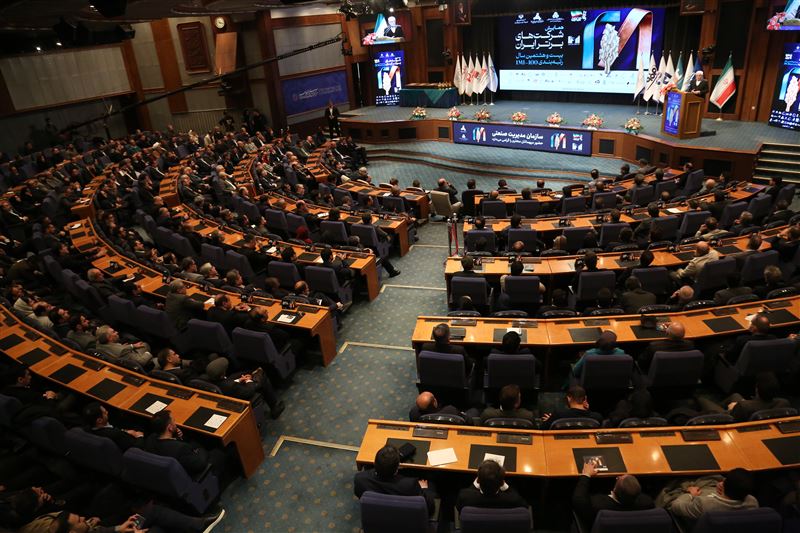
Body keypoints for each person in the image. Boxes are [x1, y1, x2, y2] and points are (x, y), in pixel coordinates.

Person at [145, 410, 228, 479]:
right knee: (218, 452)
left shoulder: (150, 439)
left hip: (168, 475)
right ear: (170, 427)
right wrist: (200, 450)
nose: (175, 423)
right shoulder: (181, 448)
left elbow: (168, 445)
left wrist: (176, 437)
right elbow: (200, 465)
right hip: (190, 475)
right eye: (174, 421)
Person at [657, 468, 758, 526]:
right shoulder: (752, 503)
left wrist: (690, 494)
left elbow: (676, 506)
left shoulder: (704, 504)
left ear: (725, 484)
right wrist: (724, 492)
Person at [353, 445, 434, 515]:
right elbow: (429, 508)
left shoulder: (360, 479)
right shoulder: (410, 485)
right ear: (397, 470)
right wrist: (424, 488)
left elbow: (359, 494)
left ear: (374, 463)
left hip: (377, 516)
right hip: (404, 519)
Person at [572, 462, 654, 527]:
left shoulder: (597, 506)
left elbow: (578, 499)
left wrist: (586, 474)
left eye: (619, 478)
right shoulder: (647, 504)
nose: (617, 477)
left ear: (614, 489)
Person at [696, 371, 790, 422]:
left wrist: (732, 409)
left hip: (728, 417)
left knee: (702, 399)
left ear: (757, 389)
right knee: (735, 395)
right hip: (748, 409)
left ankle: (711, 413)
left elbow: (732, 421)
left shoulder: (743, 406)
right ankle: (719, 406)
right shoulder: (783, 402)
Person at [455, 460, 527, 511]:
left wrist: (473, 486)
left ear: (478, 481)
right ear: (502, 483)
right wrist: (507, 488)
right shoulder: (514, 500)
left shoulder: (465, 497)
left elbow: (459, 508)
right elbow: (525, 507)